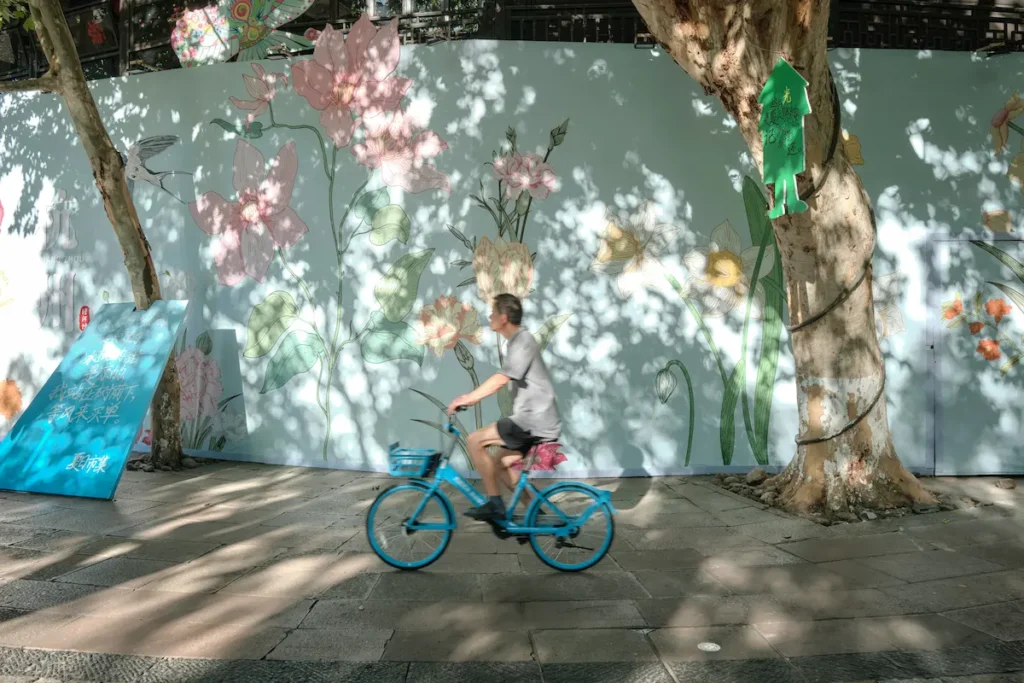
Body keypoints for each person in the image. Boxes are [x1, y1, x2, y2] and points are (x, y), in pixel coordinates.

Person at [446, 293, 562, 521]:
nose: (489, 316)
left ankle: (495, 505)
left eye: (493, 313)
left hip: (532, 421)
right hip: (533, 420)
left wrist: (468, 398)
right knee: (499, 465)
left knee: (474, 440)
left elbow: (502, 378)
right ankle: (535, 514)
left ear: (504, 318)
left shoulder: (523, 341)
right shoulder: (517, 341)